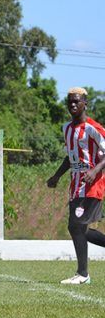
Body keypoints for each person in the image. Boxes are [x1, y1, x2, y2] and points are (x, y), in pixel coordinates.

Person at [47, 87, 105, 284]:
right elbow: (69, 156)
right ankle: (83, 274)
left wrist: (95, 170)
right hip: (75, 184)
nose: (73, 104)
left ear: (85, 103)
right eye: (70, 101)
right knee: (81, 230)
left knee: (76, 225)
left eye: (77, 101)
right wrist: (56, 176)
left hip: (92, 184)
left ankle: (82, 274)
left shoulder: (93, 128)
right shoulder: (67, 128)